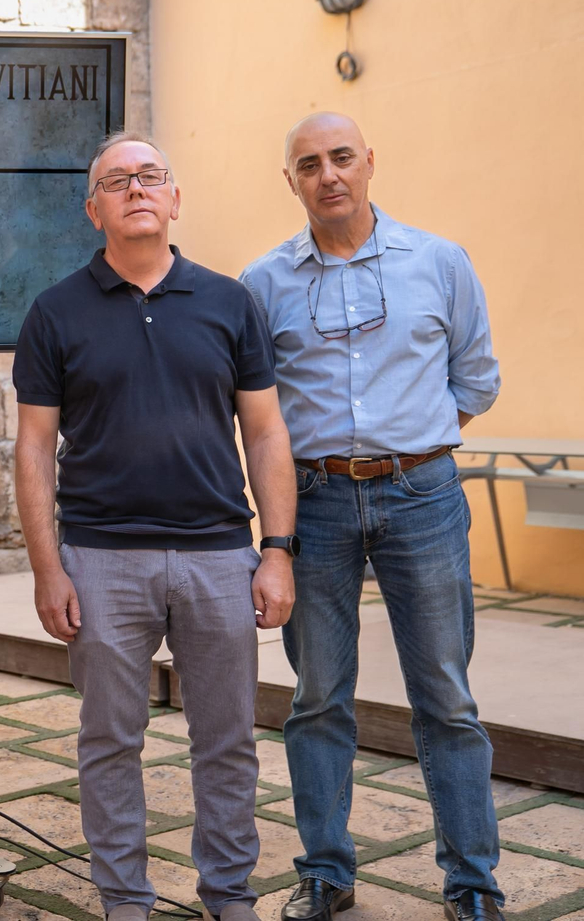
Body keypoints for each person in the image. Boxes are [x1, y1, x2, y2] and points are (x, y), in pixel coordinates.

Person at [14, 132, 297, 921]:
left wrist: (275, 552)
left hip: (217, 556)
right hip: (101, 559)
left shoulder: (229, 302)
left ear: (174, 199)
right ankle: (126, 902)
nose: (136, 189)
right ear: (94, 208)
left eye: (151, 177)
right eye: (117, 180)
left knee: (228, 742)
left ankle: (229, 896)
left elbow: (268, 433)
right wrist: (48, 567)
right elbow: (33, 448)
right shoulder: (55, 312)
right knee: (109, 741)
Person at [240, 113, 504, 921]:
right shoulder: (263, 283)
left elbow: (476, 380)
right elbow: (257, 410)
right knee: (319, 697)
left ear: (369, 163)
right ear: (291, 181)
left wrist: (410, 448)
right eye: (309, 163)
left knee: (447, 698)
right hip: (313, 505)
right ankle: (325, 871)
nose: (329, 175)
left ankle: (473, 885)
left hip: (422, 497)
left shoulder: (439, 261)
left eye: (342, 158)